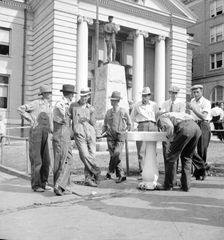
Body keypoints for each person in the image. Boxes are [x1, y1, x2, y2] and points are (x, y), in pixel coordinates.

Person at [17, 85, 53, 192]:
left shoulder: (49, 105)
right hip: (36, 133)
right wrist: (31, 119)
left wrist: (52, 130)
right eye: (47, 93)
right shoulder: (36, 103)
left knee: (46, 160)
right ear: (43, 94)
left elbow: (49, 120)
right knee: (37, 160)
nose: (49, 94)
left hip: (46, 134)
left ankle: (44, 183)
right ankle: (36, 185)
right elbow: (20, 109)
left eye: (50, 93)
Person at [156, 112, 202, 192]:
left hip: (185, 129)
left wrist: (169, 138)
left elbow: (169, 126)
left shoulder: (162, 117)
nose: (162, 128)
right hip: (196, 128)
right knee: (187, 157)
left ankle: (168, 184)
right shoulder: (177, 114)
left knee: (171, 157)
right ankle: (186, 185)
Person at [69, 88, 101, 187]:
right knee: (84, 155)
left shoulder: (91, 108)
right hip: (79, 134)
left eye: (86, 96)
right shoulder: (73, 106)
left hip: (90, 133)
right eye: (83, 96)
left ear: (88, 96)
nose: (84, 98)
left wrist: (97, 133)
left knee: (92, 156)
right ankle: (96, 171)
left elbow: (93, 122)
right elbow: (69, 118)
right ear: (80, 96)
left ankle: (88, 179)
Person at [101, 91, 131, 183]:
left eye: (113, 100)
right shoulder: (108, 112)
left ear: (117, 101)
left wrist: (126, 131)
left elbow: (130, 124)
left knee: (116, 153)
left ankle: (110, 171)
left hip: (120, 136)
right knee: (114, 156)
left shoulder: (123, 111)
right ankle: (121, 175)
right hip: (110, 136)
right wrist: (100, 133)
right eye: (111, 100)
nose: (111, 101)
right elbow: (105, 125)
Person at [53, 84, 76, 196]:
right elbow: (58, 110)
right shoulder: (61, 103)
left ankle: (61, 185)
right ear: (70, 95)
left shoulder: (65, 104)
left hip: (63, 135)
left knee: (65, 160)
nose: (73, 97)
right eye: (72, 94)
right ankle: (59, 185)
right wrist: (63, 115)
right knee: (63, 161)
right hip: (62, 135)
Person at [130, 87, 159, 178]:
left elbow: (157, 116)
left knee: (152, 149)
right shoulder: (137, 105)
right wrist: (134, 127)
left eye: (146, 95)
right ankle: (142, 171)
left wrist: (158, 127)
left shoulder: (154, 105)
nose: (144, 97)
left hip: (153, 125)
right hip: (142, 125)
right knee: (141, 150)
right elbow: (132, 118)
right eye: (143, 95)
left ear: (149, 96)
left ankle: (153, 170)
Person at [186, 84, 211, 180]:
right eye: (194, 92)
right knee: (189, 147)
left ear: (201, 92)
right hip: (194, 124)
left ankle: (200, 173)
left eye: (197, 92)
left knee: (202, 149)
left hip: (203, 124)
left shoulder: (206, 102)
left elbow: (203, 116)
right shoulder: (192, 101)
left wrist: (193, 109)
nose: (195, 94)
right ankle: (204, 166)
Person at [160, 85, 185, 176]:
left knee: (175, 151)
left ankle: (174, 172)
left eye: (175, 93)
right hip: (167, 130)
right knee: (166, 150)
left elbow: (181, 116)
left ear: (177, 94)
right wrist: (171, 115)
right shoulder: (165, 103)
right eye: (172, 93)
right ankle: (167, 172)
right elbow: (162, 114)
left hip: (177, 129)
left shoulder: (181, 103)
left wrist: (169, 115)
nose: (173, 95)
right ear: (169, 93)